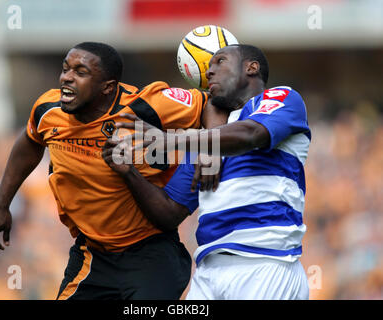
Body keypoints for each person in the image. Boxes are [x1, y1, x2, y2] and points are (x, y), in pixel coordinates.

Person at [0, 42, 228, 300]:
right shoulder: (47, 109)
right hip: (92, 255)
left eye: (80, 72)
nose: (67, 77)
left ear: (108, 87)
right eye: (66, 69)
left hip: (151, 254)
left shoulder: (150, 105)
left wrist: (210, 149)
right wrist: (1, 204)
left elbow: (212, 105)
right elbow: (30, 141)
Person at [102, 44, 311, 299]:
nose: (209, 72)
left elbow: (252, 134)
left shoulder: (282, 97)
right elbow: (170, 212)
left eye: (220, 62)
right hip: (208, 270)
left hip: (265, 263)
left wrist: (172, 139)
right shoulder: (205, 142)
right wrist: (129, 172)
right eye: (208, 66)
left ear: (251, 67)